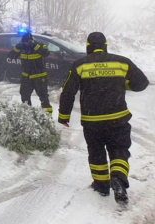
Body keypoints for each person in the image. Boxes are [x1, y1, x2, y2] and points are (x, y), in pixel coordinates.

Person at [58, 32, 149, 205]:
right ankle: (119, 178)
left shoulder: (80, 65)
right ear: (105, 45)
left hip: (93, 121)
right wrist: (124, 84)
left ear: (88, 47)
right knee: (119, 149)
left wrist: (64, 116)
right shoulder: (122, 62)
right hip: (118, 118)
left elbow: (68, 92)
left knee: (96, 152)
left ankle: (101, 185)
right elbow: (142, 83)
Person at [9, 31, 53, 114]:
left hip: (39, 77)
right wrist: (17, 47)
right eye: (24, 42)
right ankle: (28, 116)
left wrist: (34, 45)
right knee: (24, 97)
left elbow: (46, 53)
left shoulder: (39, 45)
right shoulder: (21, 47)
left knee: (43, 98)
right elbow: (11, 55)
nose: (25, 44)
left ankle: (47, 117)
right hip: (26, 77)